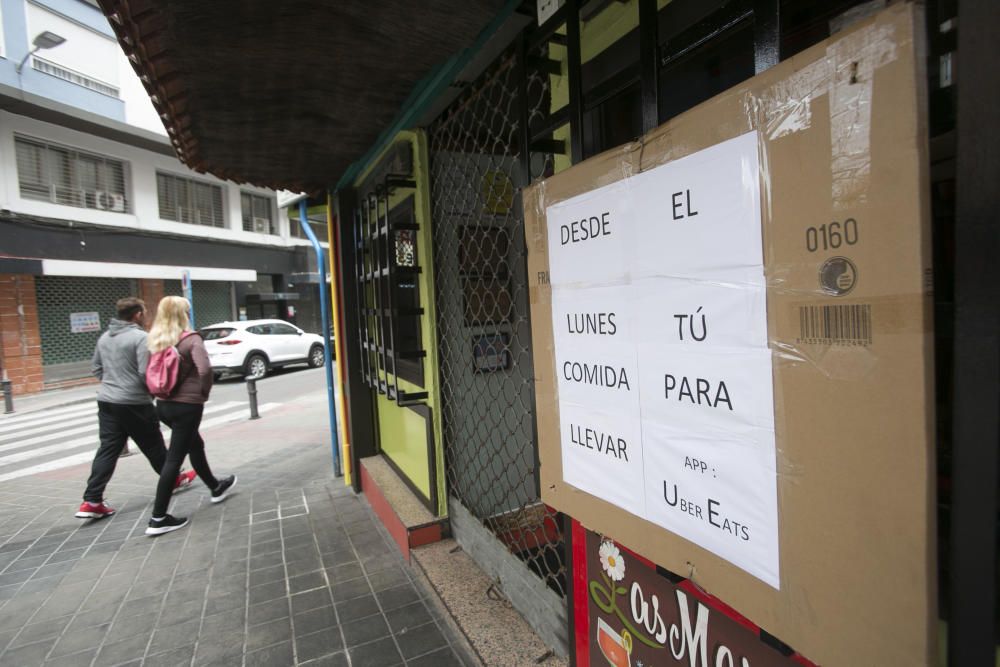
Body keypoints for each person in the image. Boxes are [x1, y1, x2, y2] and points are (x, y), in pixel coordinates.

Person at [77, 297, 196, 519]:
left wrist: (114, 382)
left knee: (108, 449)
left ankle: (92, 500)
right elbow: (146, 372)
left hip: (107, 401)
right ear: (138, 314)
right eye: (145, 312)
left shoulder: (104, 338)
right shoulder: (140, 338)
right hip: (133, 402)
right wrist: (149, 392)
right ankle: (174, 479)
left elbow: (96, 368)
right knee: (154, 445)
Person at [145, 296, 235, 536]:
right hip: (187, 406)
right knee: (174, 459)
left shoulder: (157, 339)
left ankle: (215, 486)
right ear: (183, 314)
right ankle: (158, 517)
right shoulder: (191, 339)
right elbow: (205, 369)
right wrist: (203, 391)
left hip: (163, 404)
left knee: (195, 444)